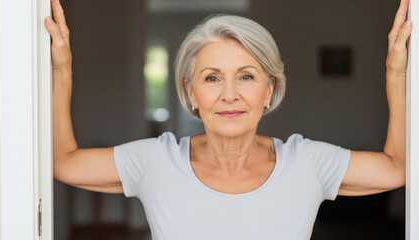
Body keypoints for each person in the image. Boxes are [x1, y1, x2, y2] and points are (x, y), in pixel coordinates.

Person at [45, 0, 412, 239]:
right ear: (191, 92)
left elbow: (398, 168)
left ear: (269, 90)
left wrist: (397, 75)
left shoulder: (308, 163)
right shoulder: (156, 160)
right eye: (212, 77)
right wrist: (62, 69)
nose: (230, 94)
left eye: (247, 76)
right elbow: (65, 162)